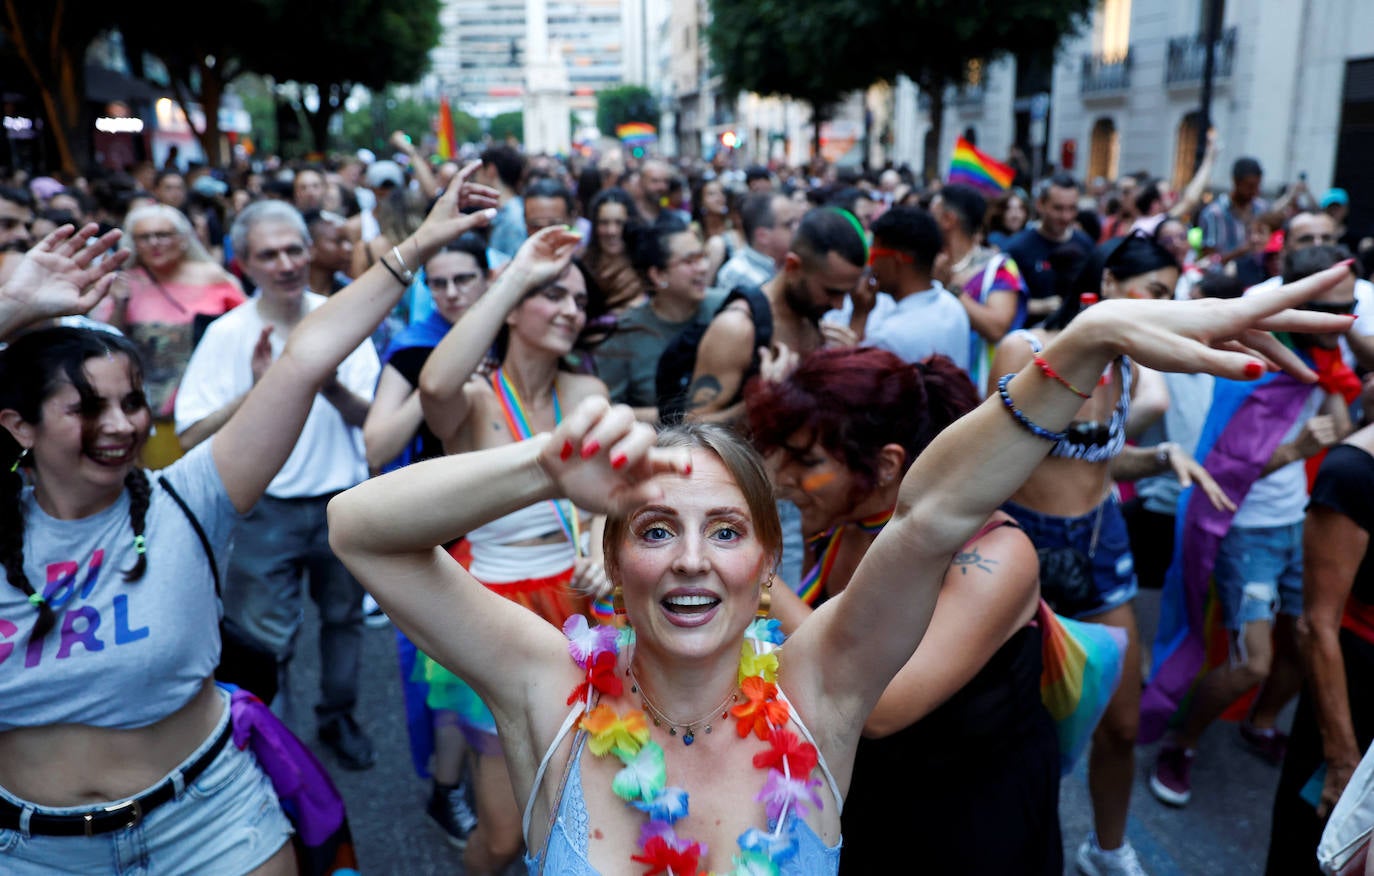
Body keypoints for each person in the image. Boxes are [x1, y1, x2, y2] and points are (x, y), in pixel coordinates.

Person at [327, 258, 1354, 874]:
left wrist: (1078, 348)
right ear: (611, 551)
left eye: (727, 532)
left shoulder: (820, 685)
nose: (691, 560)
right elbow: (363, 529)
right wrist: (541, 465)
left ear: (770, 558)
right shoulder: (544, 688)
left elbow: (936, 511)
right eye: (654, 530)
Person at [0, 171, 498, 874]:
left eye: (133, 402)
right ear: (16, 425)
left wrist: (418, 244)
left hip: (212, 823)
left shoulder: (189, 495)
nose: (120, 426)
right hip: (34, 853)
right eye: (85, 409)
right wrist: (12, 307)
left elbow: (308, 353)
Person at [746, 347, 1060, 873]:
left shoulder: (997, 554)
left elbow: (883, 704)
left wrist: (753, 568)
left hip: (967, 818)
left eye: (808, 461)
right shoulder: (849, 523)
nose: (783, 479)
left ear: (888, 464)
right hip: (873, 798)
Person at [988, 232, 1233, 876]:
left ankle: (1107, 848)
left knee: (1122, 721)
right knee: (1016, 722)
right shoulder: (1027, 348)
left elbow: (1092, 459)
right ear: (1109, 284)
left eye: (1172, 295)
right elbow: (995, 459)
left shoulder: (1129, 367)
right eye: (1155, 292)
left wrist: (1154, 457)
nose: (1166, 306)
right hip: (1023, 545)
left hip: (1100, 543)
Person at [416, 225, 611, 875]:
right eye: (551, 294)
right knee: (503, 837)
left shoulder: (584, 394)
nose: (570, 311)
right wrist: (514, 275)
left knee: (579, 803)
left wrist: (603, 548)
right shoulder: (472, 398)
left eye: (580, 301)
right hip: (493, 607)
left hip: (578, 607)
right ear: (514, 302)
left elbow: (604, 500)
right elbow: (434, 387)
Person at [1147, 246, 1359, 810]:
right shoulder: (1248, 345)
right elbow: (1217, 465)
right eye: (1329, 311)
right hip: (1247, 531)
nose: (1340, 322)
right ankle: (1180, 741)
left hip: (1299, 524)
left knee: (1305, 642)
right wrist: (1296, 450)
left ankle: (1260, 724)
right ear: (1297, 304)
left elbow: (1337, 416)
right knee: (1253, 662)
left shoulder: (1326, 343)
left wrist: (1331, 412)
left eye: (1348, 307)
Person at [173, 202, 379, 771]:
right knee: (268, 640)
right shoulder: (227, 334)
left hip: (343, 503)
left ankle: (339, 718)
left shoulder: (341, 318)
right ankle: (278, 749)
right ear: (244, 263)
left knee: (344, 622)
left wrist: (327, 381)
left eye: (294, 249)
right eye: (270, 253)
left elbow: (375, 422)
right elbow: (191, 432)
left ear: (310, 250)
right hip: (264, 510)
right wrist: (263, 388)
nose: (286, 263)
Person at [1266, 420, 1374, 874]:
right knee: (1318, 846)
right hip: (1351, 693)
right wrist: (1343, 759)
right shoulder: (1354, 473)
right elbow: (1316, 625)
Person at [97, 204, 246, 469]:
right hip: (149, 414)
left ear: (183, 238)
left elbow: (247, 332)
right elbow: (104, 346)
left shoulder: (214, 278)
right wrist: (119, 303)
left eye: (163, 235)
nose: (155, 243)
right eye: (144, 237)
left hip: (210, 409)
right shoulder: (125, 282)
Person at [596, 214, 722, 422]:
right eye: (690, 261)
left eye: (702, 257)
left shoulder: (725, 308)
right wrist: (673, 416)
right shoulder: (625, 334)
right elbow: (607, 409)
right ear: (658, 275)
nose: (702, 268)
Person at [1006, 175, 1097, 324]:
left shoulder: (1087, 245)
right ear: (1040, 204)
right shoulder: (1018, 248)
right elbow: (1003, 301)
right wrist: (1040, 306)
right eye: (1058, 208)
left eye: (1072, 208)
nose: (1065, 216)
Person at [580, 187, 644, 314]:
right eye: (604, 223)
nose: (611, 231)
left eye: (619, 223)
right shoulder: (584, 265)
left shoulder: (643, 268)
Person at [693, 177, 744, 283]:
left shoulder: (733, 226)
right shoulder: (694, 230)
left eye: (722, 193)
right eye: (712, 194)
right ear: (701, 201)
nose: (719, 198)